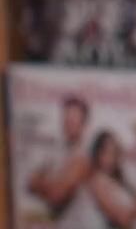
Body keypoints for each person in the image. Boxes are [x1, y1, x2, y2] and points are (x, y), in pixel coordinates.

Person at [26, 95, 94, 223]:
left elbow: (56, 195)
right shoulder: (56, 151)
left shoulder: (84, 155)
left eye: (73, 121)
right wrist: (53, 184)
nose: (67, 125)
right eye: (66, 120)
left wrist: (44, 183)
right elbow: (30, 184)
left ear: (84, 124)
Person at [82, 131, 136, 229]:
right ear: (98, 154)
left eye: (115, 152)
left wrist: (132, 211)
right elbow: (121, 217)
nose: (111, 157)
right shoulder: (97, 180)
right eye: (108, 152)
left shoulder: (121, 178)